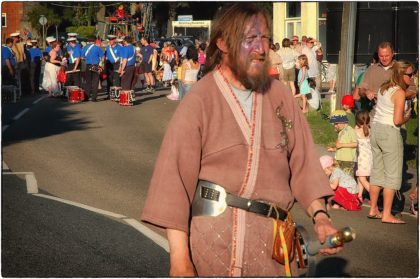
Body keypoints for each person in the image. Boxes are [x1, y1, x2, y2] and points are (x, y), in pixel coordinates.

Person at [141, 4, 341, 277]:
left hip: (275, 248)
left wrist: (321, 218)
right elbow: (173, 181)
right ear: (222, 43)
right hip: (216, 245)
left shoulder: (281, 96)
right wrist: (180, 260)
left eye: (265, 39)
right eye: (250, 39)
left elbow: (304, 163)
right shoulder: (200, 99)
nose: (261, 48)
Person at [368, 60, 414, 224]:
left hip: (376, 129)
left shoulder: (384, 87)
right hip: (389, 132)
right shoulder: (399, 92)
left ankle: (373, 208)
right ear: (402, 75)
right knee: (392, 175)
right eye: (410, 74)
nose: (412, 77)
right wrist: (407, 117)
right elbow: (397, 120)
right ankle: (387, 214)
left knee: (377, 171)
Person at [358, 42, 395, 112]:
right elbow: (361, 90)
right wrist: (366, 92)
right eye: (381, 56)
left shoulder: (400, 69)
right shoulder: (371, 69)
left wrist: (398, 96)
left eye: (387, 56)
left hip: (394, 112)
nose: (384, 58)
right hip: (375, 113)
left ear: (393, 54)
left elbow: (412, 91)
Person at [327, 110, 357, 177]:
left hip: (347, 160)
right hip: (339, 159)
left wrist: (341, 145)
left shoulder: (350, 130)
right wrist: (334, 149)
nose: (335, 126)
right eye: (334, 124)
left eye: (336, 123)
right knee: (340, 178)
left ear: (343, 121)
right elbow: (340, 146)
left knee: (347, 178)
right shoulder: (341, 132)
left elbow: (355, 144)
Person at [354, 110, 372, 202]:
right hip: (369, 158)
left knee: (362, 179)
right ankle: (360, 195)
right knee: (360, 177)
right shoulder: (369, 129)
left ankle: (374, 195)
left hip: (361, 159)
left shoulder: (356, 130)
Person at [82, 36, 104, 101]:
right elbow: (102, 57)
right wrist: (101, 65)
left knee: (88, 82)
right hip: (96, 66)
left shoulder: (85, 48)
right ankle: (94, 98)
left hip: (88, 65)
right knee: (95, 82)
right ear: (95, 41)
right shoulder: (97, 48)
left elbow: (82, 57)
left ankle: (86, 96)